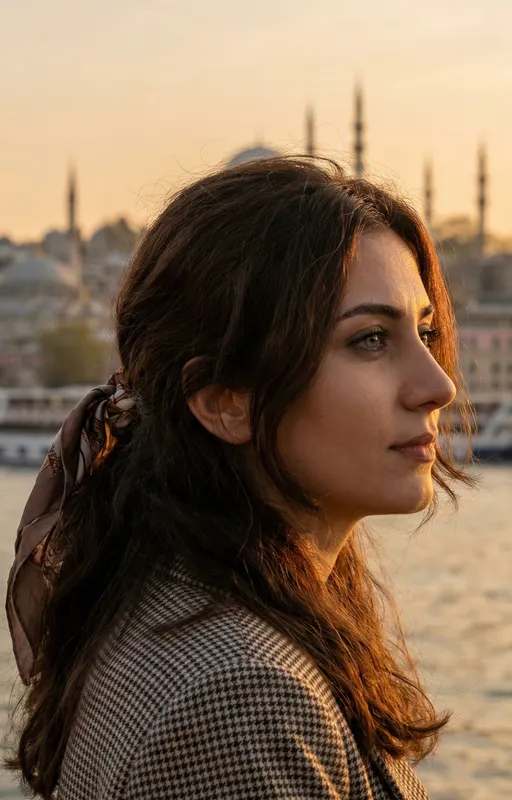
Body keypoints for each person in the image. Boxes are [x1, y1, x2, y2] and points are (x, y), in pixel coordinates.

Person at [5, 157, 473, 799]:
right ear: (227, 401)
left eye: (423, 331)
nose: (437, 385)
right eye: (369, 340)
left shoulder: (157, 599)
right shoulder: (244, 695)